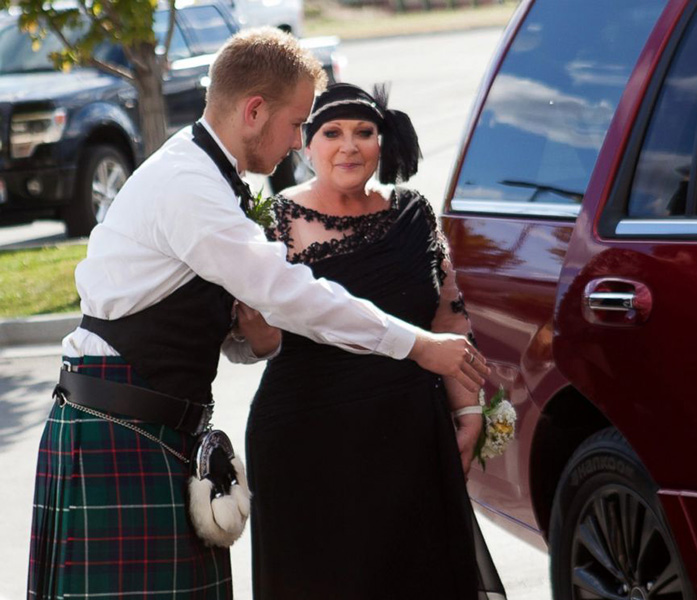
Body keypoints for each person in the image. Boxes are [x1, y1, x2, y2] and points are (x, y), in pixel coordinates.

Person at [26, 30, 488, 599]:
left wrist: (253, 340)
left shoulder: (210, 177)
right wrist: (418, 345)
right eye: (299, 124)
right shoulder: (189, 186)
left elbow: (242, 323)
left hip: (153, 427)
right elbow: (291, 292)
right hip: (121, 429)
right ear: (253, 111)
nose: (300, 142)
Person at [239, 82, 506, 600]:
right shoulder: (275, 223)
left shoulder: (412, 213)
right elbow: (263, 338)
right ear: (305, 143)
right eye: (332, 132)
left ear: (383, 141)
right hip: (307, 442)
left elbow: (448, 318)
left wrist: (469, 415)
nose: (349, 146)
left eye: (364, 132)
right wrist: (253, 328)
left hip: (409, 435)